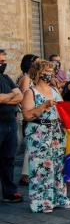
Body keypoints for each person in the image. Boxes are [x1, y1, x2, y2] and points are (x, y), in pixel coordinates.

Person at [21, 60, 70, 213]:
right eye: (46, 71)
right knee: (41, 167)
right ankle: (41, 201)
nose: (49, 74)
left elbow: (65, 110)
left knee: (58, 166)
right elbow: (27, 115)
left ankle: (59, 198)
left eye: (51, 71)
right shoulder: (30, 92)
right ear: (38, 73)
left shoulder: (55, 90)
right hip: (39, 132)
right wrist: (44, 105)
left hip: (56, 132)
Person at [0, 50, 24, 203]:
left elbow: (20, 96)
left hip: (10, 123)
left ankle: (10, 192)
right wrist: (11, 96)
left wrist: (4, 98)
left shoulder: (6, 77)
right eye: (0, 61)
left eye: (3, 61)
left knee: (9, 159)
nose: (3, 64)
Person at [16, 54, 39, 186]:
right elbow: (25, 95)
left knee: (30, 143)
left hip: (31, 113)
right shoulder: (25, 77)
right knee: (29, 143)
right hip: (25, 114)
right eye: (36, 63)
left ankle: (27, 173)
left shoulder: (31, 77)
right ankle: (25, 175)